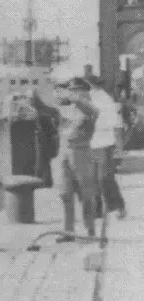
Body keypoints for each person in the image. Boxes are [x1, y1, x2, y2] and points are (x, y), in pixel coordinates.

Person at [55, 78, 99, 240]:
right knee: (65, 193)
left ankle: (90, 229)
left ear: (85, 92)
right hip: (65, 151)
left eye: (76, 90)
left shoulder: (90, 107)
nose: (73, 92)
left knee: (86, 193)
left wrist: (74, 98)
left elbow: (91, 112)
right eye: (72, 90)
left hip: (82, 152)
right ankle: (68, 231)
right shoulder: (69, 108)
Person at [89, 78, 128, 219]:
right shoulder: (86, 101)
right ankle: (97, 210)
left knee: (104, 177)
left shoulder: (107, 102)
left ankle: (118, 206)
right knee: (92, 178)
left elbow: (117, 127)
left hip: (105, 144)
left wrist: (119, 149)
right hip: (89, 144)